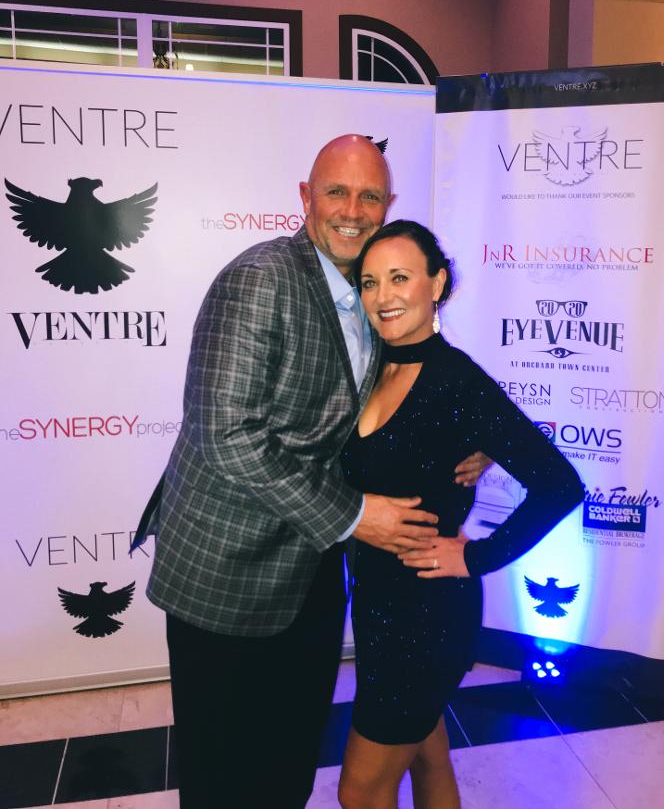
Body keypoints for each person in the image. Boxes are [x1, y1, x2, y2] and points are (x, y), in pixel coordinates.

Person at [135, 135, 487, 808]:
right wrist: (356, 515)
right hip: (227, 569)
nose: (353, 210)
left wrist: (469, 439)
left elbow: (400, 399)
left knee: (290, 756)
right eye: (336, 192)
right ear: (305, 197)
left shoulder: (376, 291)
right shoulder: (260, 280)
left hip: (314, 567)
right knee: (222, 774)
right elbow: (225, 434)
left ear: (388, 204)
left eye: (370, 196)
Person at [338, 220, 584, 809]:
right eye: (370, 282)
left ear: (437, 283)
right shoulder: (370, 365)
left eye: (400, 278)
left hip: (426, 616)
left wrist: (476, 557)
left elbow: (559, 485)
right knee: (428, 757)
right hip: (377, 606)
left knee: (359, 791)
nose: (383, 296)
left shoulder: (458, 382)